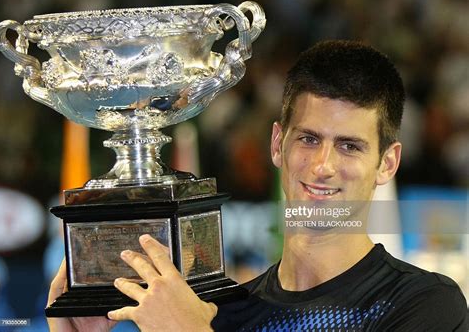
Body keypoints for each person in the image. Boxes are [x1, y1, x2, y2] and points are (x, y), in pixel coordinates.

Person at [47, 40, 468, 331]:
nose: (323, 166)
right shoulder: (220, 311)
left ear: (387, 163)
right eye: (308, 139)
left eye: (349, 146)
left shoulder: (423, 303)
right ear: (277, 145)